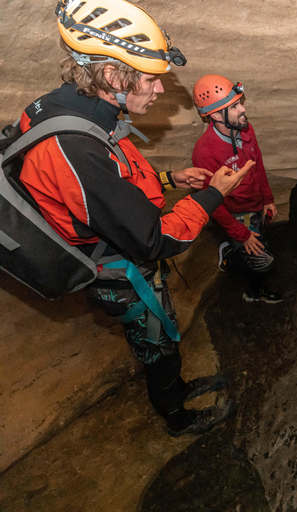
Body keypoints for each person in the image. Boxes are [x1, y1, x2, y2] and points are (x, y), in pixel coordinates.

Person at [18, 0, 249, 437]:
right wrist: (212, 194)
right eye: (149, 79)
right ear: (111, 76)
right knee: (157, 347)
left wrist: (168, 177)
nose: (159, 90)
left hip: (112, 244)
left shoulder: (68, 109)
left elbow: (106, 188)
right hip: (118, 273)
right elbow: (154, 239)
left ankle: (176, 390)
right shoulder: (76, 148)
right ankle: (176, 417)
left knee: (161, 342)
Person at [191, 74, 282, 303]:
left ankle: (232, 251)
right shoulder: (205, 151)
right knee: (262, 261)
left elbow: (257, 164)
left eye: (240, 102)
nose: (242, 110)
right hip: (236, 214)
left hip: (254, 204)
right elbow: (211, 202)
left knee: (260, 244)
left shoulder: (245, 129)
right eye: (234, 107)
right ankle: (253, 289)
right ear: (214, 115)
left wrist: (267, 199)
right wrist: (240, 233)